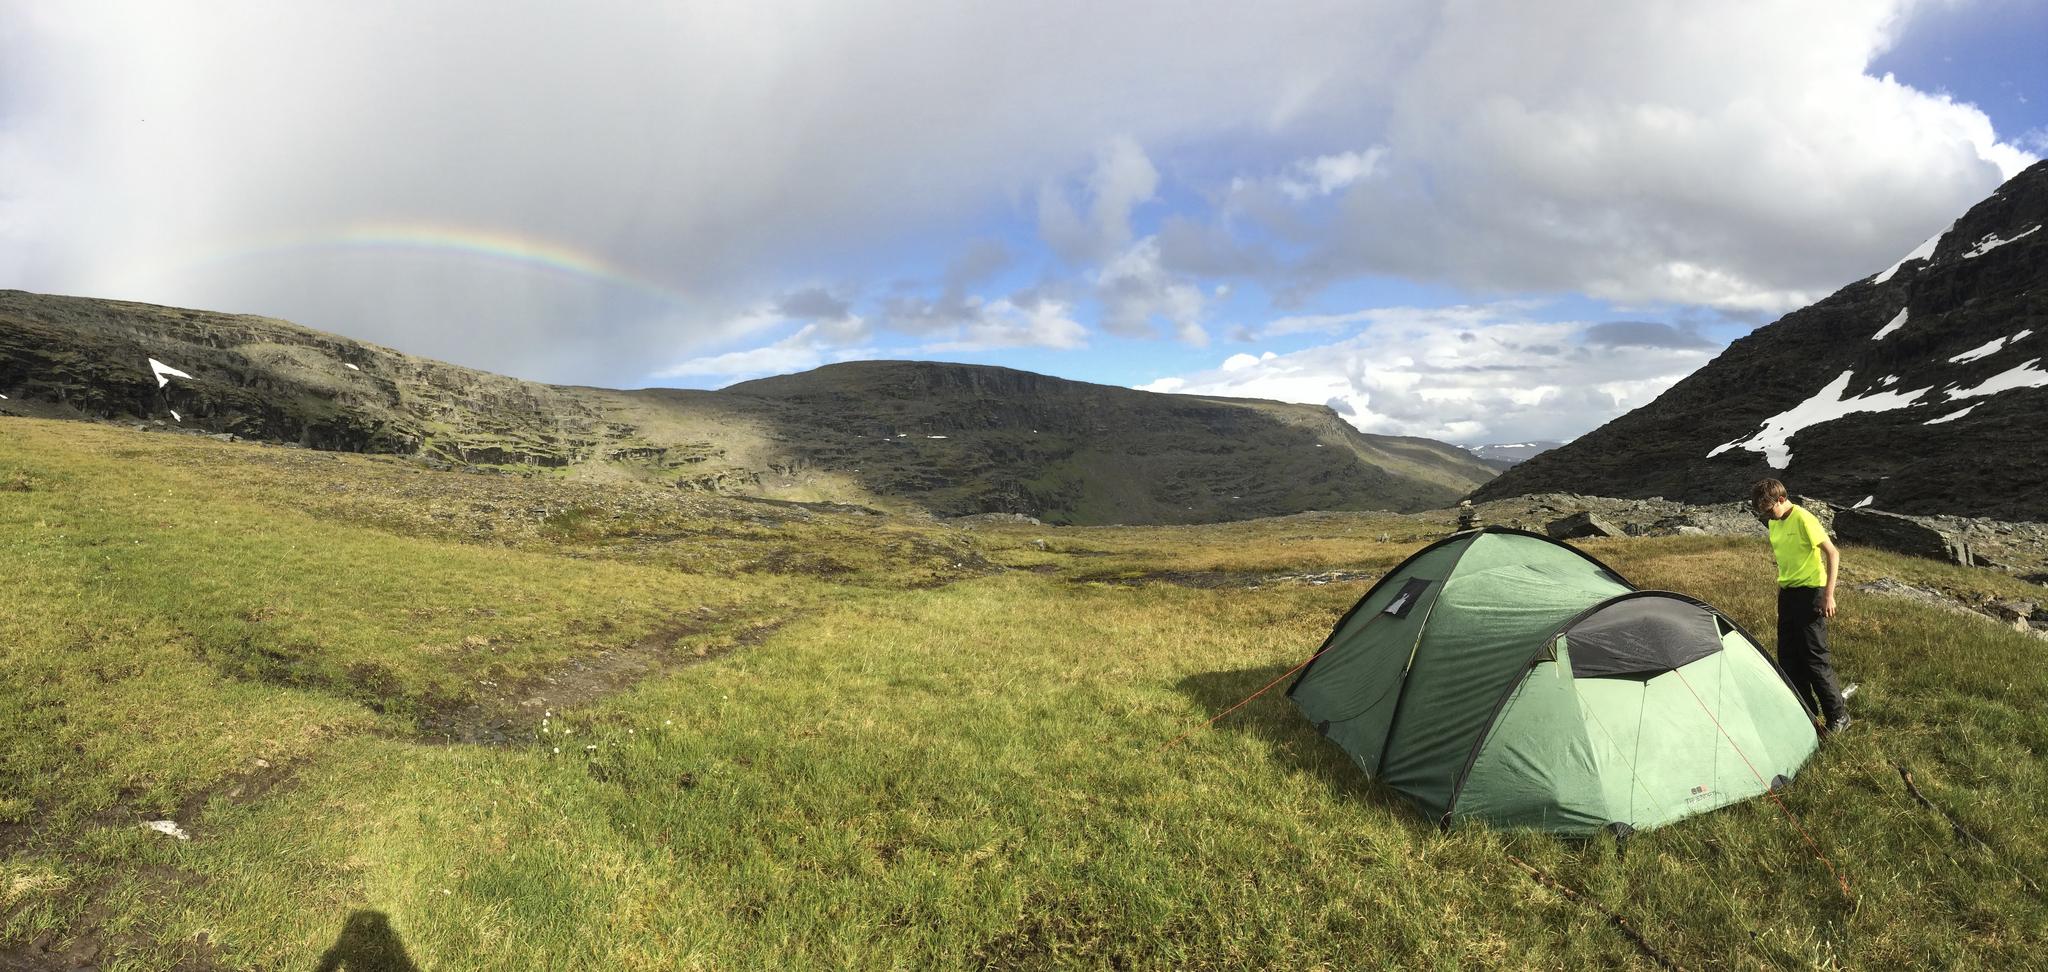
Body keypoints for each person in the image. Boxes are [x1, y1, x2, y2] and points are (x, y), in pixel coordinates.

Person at [1751, 479, 1850, 734]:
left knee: (1814, 657)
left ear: (1782, 500)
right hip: (1787, 593)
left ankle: (1838, 716)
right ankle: (1806, 711)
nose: (1766, 515)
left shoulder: (1804, 519)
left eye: (1769, 509)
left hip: (1811, 594)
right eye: (1762, 512)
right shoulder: (1773, 523)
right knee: (1788, 656)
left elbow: (1833, 553)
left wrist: (1829, 595)